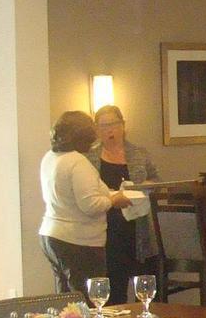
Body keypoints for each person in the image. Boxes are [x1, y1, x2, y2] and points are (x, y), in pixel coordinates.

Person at [39, 110, 134, 295]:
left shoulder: (50, 157)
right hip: (78, 242)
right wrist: (113, 199)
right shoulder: (77, 163)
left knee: (66, 302)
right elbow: (90, 205)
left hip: (52, 235)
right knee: (88, 302)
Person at [87, 105, 159, 305]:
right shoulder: (89, 157)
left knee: (143, 285)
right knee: (114, 288)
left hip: (137, 227)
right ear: (96, 129)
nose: (109, 130)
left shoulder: (138, 154)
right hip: (107, 227)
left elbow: (156, 181)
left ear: (123, 126)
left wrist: (146, 186)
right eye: (104, 126)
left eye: (113, 124)